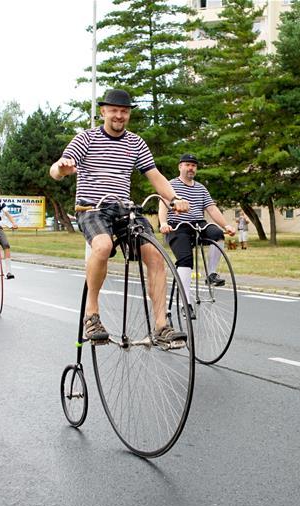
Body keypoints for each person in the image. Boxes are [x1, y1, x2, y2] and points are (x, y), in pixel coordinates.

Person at [49, 89, 191, 346]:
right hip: (92, 208)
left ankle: (161, 325)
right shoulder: (86, 139)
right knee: (102, 246)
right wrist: (61, 169)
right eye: (113, 110)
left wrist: (172, 199)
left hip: (124, 210)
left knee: (156, 254)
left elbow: (155, 176)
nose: (119, 116)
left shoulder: (136, 143)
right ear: (103, 112)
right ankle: (91, 314)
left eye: (124, 111)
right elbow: (56, 169)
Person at [158, 154, 235, 314]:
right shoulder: (171, 185)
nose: (191, 168)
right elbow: (163, 205)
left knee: (217, 234)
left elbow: (212, 209)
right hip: (177, 226)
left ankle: (211, 273)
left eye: (194, 165)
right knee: (185, 260)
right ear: (180, 167)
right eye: (187, 165)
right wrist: (164, 223)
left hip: (197, 223)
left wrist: (226, 225)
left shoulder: (201, 188)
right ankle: (186, 304)